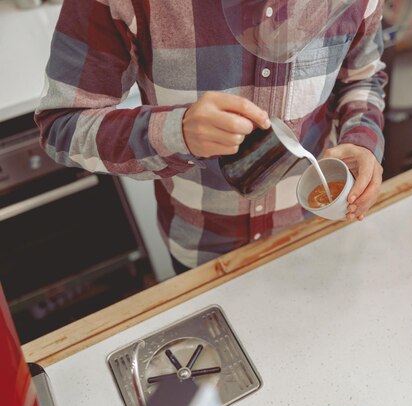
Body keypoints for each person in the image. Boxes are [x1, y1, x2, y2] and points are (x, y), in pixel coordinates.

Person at [35, 0, 388, 274]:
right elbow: (62, 125)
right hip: (203, 248)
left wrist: (362, 137)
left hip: (311, 232)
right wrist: (178, 131)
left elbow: (362, 77)